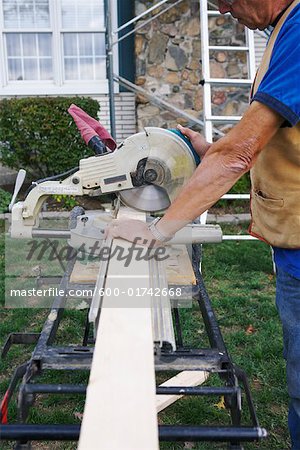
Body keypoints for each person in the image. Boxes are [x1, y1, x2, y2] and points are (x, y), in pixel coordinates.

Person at [108, 0, 300, 446]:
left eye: (228, 2)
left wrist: (156, 232)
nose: (226, 12)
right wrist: (208, 147)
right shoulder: (284, 28)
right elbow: (276, 141)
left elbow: (239, 154)